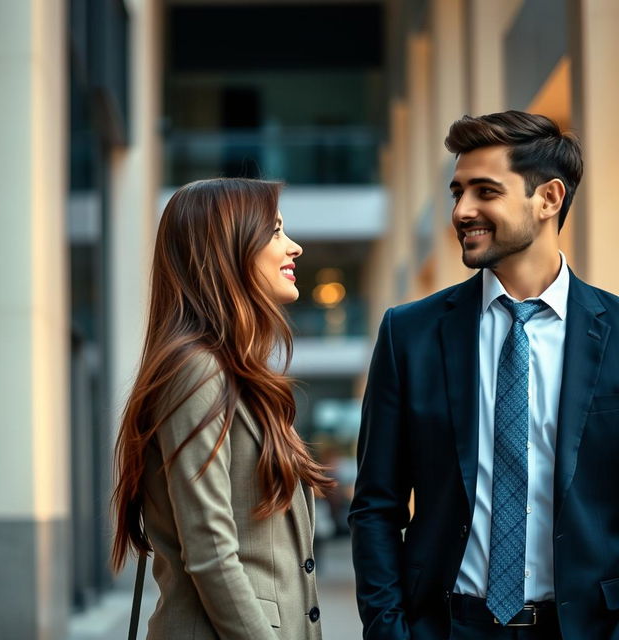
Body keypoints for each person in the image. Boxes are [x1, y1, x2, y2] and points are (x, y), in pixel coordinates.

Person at [349, 111, 619, 640]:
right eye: (457, 192)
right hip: (448, 627)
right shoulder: (410, 334)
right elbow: (376, 505)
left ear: (548, 199)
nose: (462, 211)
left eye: (484, 191)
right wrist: (389, 630)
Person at [111, 178, 334, 639]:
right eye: (274, 232)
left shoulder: (232, 373)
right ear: (226, 248)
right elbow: (210, 550)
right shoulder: (197, 371)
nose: (293, 248)